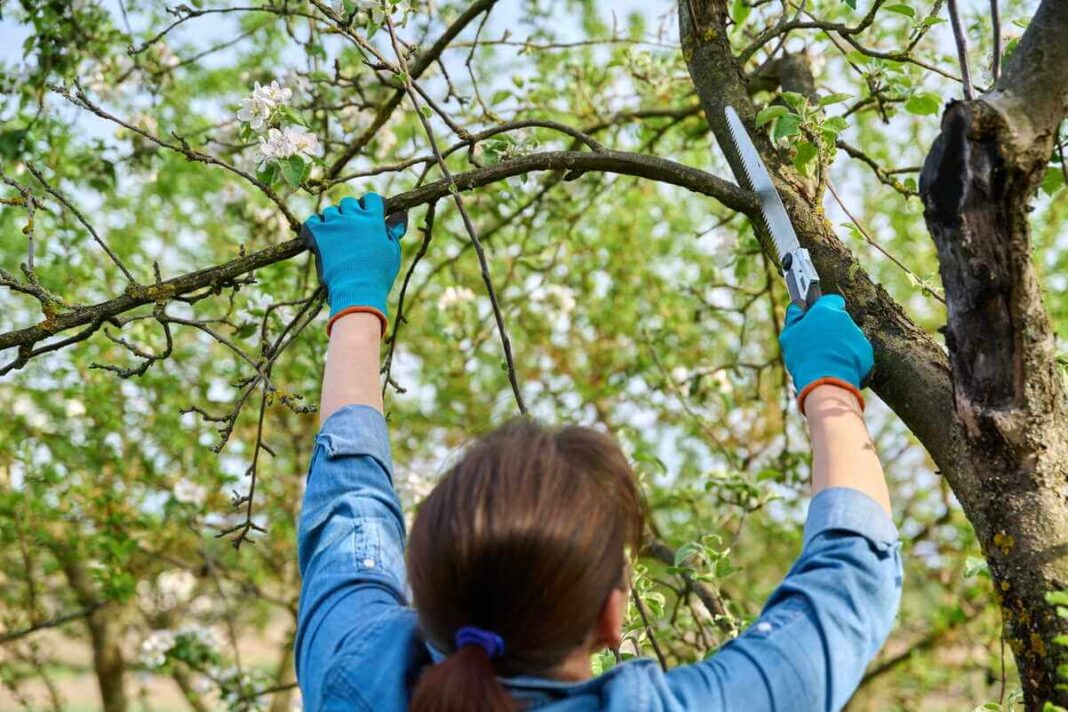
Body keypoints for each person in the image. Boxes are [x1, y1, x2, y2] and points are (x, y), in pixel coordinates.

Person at [294, 195, 902, 712]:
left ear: (424, 587)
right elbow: (851, 579)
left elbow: (351, 504)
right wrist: (830, 391)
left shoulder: (355, 669)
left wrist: (355, 297)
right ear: (613, 619)